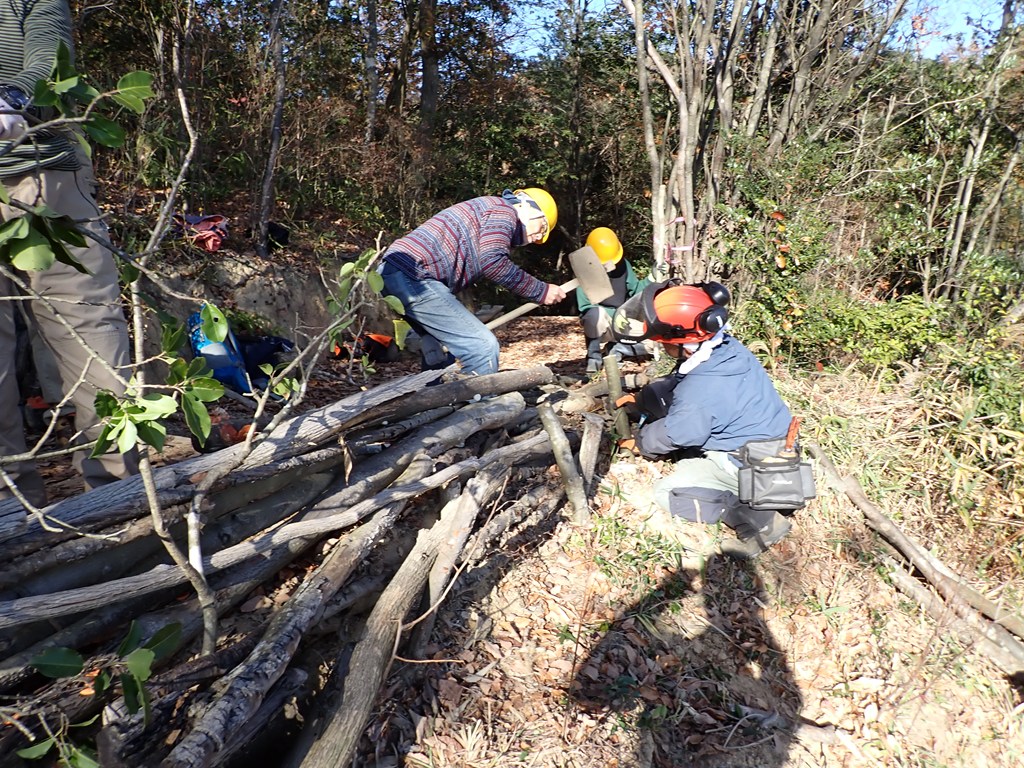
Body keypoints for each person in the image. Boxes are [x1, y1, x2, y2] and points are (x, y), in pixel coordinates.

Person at [1, 0, 138, 508]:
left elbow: (50, 53)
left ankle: (118, 504)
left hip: (46, 178)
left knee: (96, 346)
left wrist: (13, 99)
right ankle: (11, 514)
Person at [613, 280, 797, 559]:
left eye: (664, 343)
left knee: (667, 491)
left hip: (754, 465)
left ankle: (760, 520)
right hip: (771, 444)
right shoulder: (725, 349)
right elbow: (682, 384)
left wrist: (641, 442)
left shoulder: (703, 386)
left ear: (684, 344)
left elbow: (680, 432)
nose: (660, 345)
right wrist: (640, 404)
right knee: (666, 406)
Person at [379, 188, 565, 376]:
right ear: (527, 206)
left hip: (393, 273)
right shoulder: (504, 210)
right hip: (414, 275)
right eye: (542, 227)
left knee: (440, 353)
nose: (539, 237)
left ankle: (434, 393)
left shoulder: (488, 212)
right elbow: (492, 262)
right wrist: (540, 290)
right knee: (482, 347)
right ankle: (478, 395)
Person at [576, 227, 651, 373]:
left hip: (624, 320)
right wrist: (615, 315)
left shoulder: (623, 265)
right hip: (604, 324)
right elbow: (586, 308)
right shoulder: (584, 270)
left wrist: (651, 279)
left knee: (655, 341)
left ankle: (617, 349)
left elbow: (636, 291)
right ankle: (594, 358)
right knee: (594, 316)